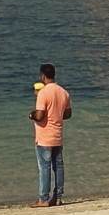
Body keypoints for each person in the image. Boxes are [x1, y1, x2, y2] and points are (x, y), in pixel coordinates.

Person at [30, 63, 72, 207]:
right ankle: (58, 197)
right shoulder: (64, 92)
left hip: (44, 137)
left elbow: (40, 115)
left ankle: (43, 198)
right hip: (57, 135)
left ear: (42, 76)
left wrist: (31, 115)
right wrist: (56, 115)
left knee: (44, 168)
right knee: (58, 167)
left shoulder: (43, 93)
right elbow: (68, 114)